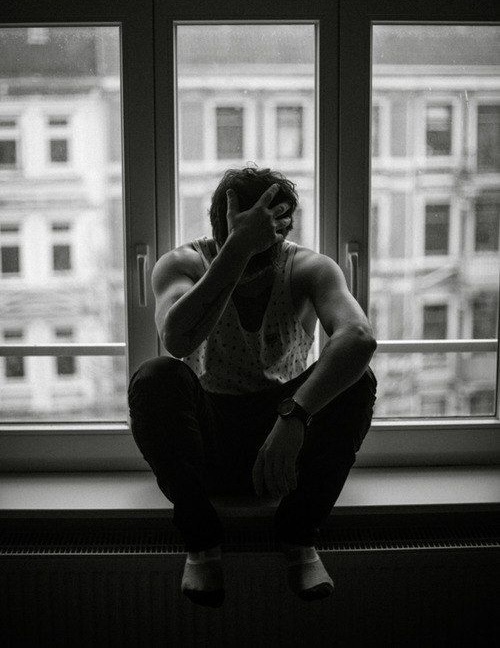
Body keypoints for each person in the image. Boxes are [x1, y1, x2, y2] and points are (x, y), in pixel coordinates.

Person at [128, 166, 377, 608]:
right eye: (247, 236)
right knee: (154, 377)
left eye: (268, 241)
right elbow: (177, 340)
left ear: (284, 229)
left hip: (283, 445)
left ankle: (299, 537)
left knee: (359, 380)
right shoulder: (182, 264)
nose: (260, 255)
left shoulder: (308, 267)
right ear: (219, 227)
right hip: (209, 441)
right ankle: (202, 543)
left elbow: (359, 338)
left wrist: (295, 416)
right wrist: (238, 250)